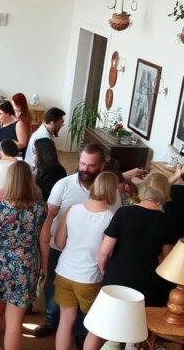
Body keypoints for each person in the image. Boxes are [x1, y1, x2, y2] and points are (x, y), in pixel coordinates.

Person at [36, 143, 125, 339]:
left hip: (92, 255)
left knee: (83, 298)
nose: (84, 169)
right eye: (82, 163)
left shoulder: (111, 192)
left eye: (90, 165)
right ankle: (51, 320)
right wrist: (43, 244)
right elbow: (48, 217)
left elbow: (115, 225)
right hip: (59, 247)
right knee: (52, 286)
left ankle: (79, 332)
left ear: (101, 165)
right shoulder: (64, 185)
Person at [0, 161, 49, 350]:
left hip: (0, 264)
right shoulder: (40, 208)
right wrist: (45, 267)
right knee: (15, 322)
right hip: (27, 266)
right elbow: (42, 240)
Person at [53, 172, 119, 350]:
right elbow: (106, 254)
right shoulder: (110, 218)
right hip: (89, 277)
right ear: (112, 190)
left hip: (64, 271)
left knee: (65, 321)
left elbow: (59, 241)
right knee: (94, 325)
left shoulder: (73, 209)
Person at [98, 172, 176, 307]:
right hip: (147, 280)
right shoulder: (167, 221)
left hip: (117, 275)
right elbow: (165, 257)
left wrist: (104, 270)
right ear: (165, 192)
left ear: (143, 188)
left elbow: (104, 251)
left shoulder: (123, 213)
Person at [25, 107, 66, 173]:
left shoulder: (45, 131)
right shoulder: (43, 138)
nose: (62, 125)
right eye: (61, 122)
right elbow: (47, 164)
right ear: (52, 123)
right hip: (35, 173)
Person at [34, 137, 67, 202]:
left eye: (35, 152)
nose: (34, 155)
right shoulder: (46, 166)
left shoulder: (52, 170)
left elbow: (42, 192)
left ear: (42, 154)